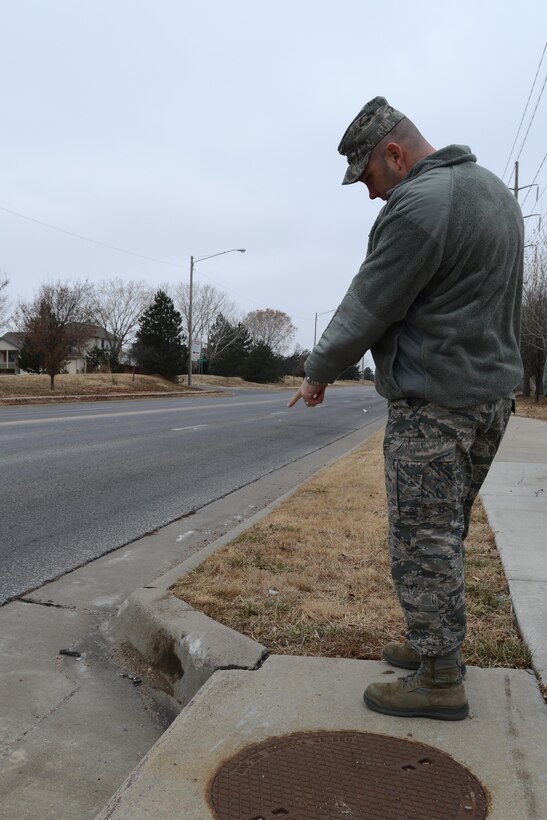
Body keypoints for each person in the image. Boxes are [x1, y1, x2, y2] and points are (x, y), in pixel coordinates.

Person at [288, 96, 524, 721]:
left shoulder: (418, 205)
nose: (370, 195)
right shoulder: (492, 190)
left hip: (435, 403)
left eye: (367, 177)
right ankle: (433, 647)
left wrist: (317, 374)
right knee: (445, 533)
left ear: (393, 155)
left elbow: (371, 302)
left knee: (422, 539)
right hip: (490, 400)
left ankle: (440, 677)